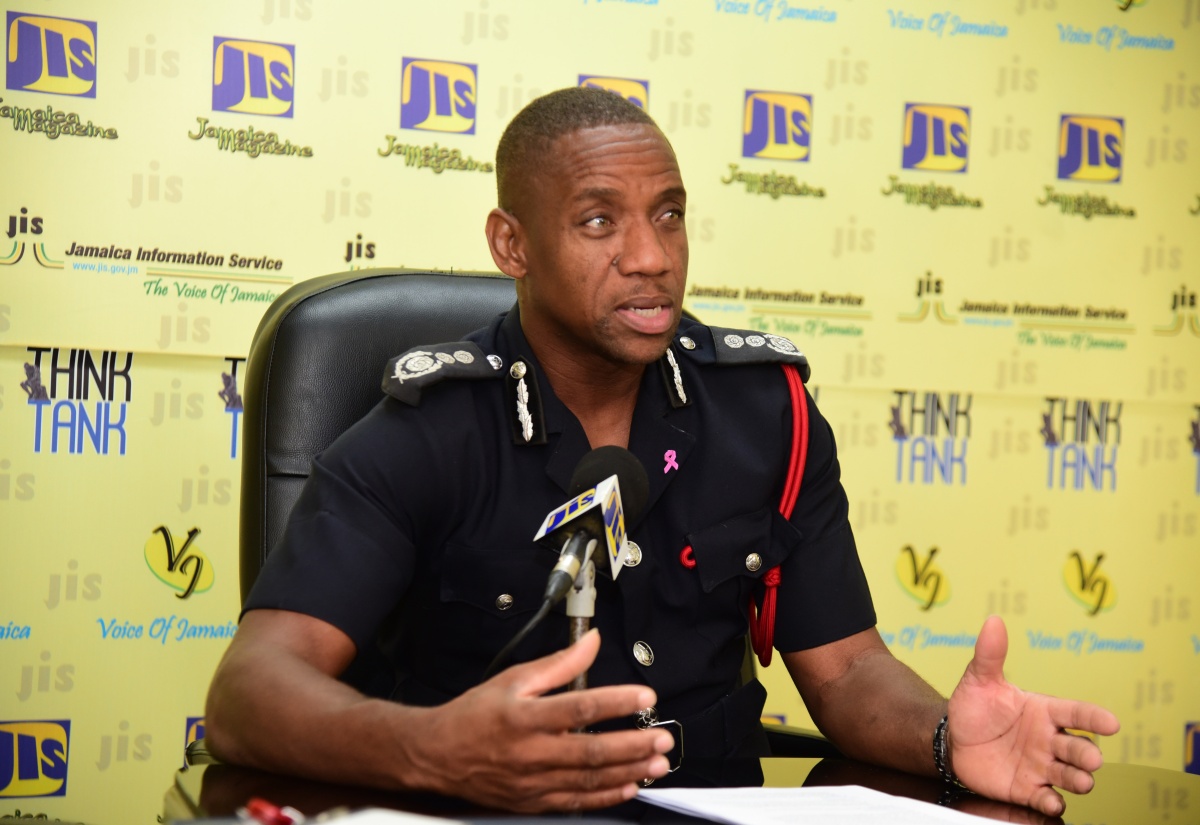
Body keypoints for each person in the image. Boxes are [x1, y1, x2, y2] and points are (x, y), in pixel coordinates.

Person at [204, 87, 1119, 816]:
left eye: (670, 214)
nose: (651, 256)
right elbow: (251, 692)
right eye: (600, 221)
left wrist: (947, 743)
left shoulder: (768, 414)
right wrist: (429, 745)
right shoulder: (426, 431)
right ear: (511, 244)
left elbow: (844, 671)